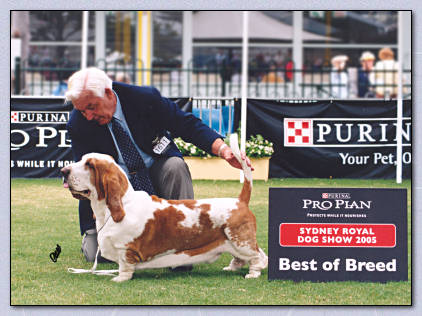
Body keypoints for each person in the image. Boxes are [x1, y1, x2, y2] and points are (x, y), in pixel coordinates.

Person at [65, 67, 252, 270]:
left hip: (156, 169)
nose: (89, 116)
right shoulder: (78, 123)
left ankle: (184, 243)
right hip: (115, 186)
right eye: (82, 110)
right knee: (99, 254)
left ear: (108, 93)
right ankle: (115, 238)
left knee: (175, 166)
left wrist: (224, 150)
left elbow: (185, 124)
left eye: (92, 107)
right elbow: (87, 177)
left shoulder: (143, 98)